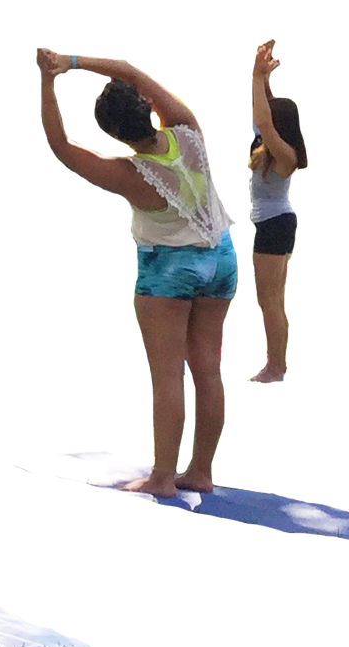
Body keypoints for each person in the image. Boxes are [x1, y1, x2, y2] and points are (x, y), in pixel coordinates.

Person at [35, 46, 237, 497]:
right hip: (221, 257)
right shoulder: (188, 131)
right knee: (208, 370)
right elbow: (129, 70)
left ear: (112, 132)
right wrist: (70, 62)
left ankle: (162, 477)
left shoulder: (131, 173)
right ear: (147, 106)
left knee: (167, 376)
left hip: (169, 269)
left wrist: (47, 81)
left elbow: (61, 146)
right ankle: (201, 471)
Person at [245, 38, 308, 384]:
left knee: (269, 300)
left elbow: (265, 121)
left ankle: (275, 367)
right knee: (271, 299)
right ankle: (276, 365)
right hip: (275, 223)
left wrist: (257, 75)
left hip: (275, 224)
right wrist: (263, 78)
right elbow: (265, 114)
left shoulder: (286, 156)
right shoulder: (268, 145)